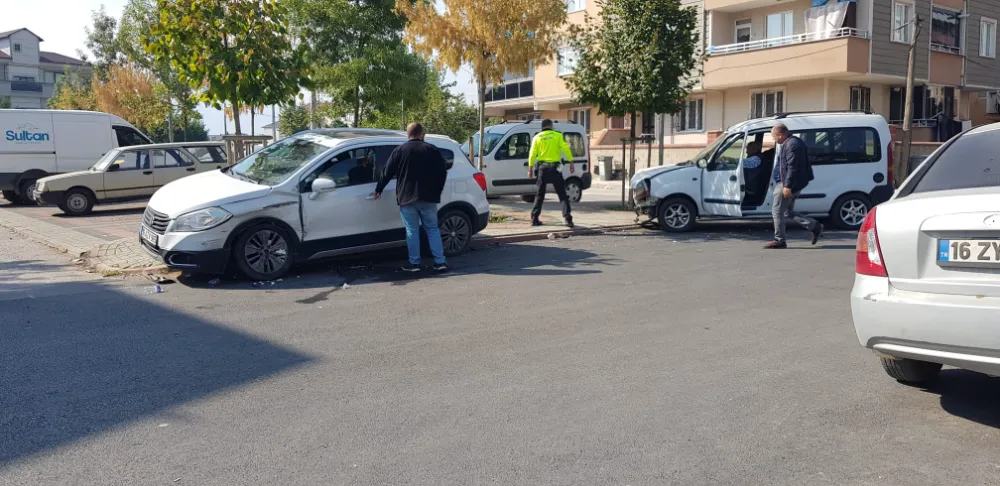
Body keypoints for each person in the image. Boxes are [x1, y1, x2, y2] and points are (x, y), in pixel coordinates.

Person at [373, 123, 449, 272]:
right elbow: (442, 172)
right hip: (428, 197)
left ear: (408, 135)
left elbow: (387, 172)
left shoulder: (399, 151)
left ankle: (414, 264)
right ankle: (440, 262)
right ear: (422, 134)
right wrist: (437, 190)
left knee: (412, 231)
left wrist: (379, 189)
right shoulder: (432, 150)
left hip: (407, 198)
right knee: (432, 229)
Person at [766, 123, 822, 249]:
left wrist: (787, 185)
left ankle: (779, 240)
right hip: (790, 183)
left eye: (774, 137)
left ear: (780, 134)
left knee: (777, 211)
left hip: (787, 184)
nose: (774, 139)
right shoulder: (792, 142)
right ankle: (813, 225)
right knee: (787, 212)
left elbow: (793, 167)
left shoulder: (792, 145)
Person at [527, 119, 575, 228]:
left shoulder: (537, 137)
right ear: (551, 126)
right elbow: (565, 148)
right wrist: (571, 162)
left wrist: (530, 168)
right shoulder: (557, 135)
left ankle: (534, 218)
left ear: (542, 127)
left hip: (542, 169)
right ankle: (568, 219)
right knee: (562, 194)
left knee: (539, 195)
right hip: (555, 169)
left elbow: (532, 153)